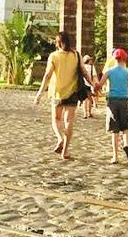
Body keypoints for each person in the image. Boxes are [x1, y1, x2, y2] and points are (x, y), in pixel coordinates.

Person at [34, 31, 95, 160]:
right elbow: (84, 72)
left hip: (57, 93)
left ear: (58, 43)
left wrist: (39, 93)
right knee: (69, 122)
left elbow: (47, 75)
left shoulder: (54, 56)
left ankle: (60, 138)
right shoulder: (76, 55)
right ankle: (65, 151)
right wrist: (93, 84)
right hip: (72, 93)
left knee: (56, 119)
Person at [95, 48, 128, 164]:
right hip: (124, 100)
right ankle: (126, 144)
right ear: (124, 59)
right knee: (126, 126)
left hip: (112, 101)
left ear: (115, 59)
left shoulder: (109, 71)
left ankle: (115, 156)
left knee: (114, 129)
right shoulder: (127, 72)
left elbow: (100, 85)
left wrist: (96, 89)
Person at [81, 55, 98, 119]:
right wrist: (96, 85)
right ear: (89, 61)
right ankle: (89, 113)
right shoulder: (91, 67)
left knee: (84, 100)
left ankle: (85, 114)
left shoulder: (81, 67)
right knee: (89, 99)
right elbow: (94, 76)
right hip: (89, 84)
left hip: (82, 84)